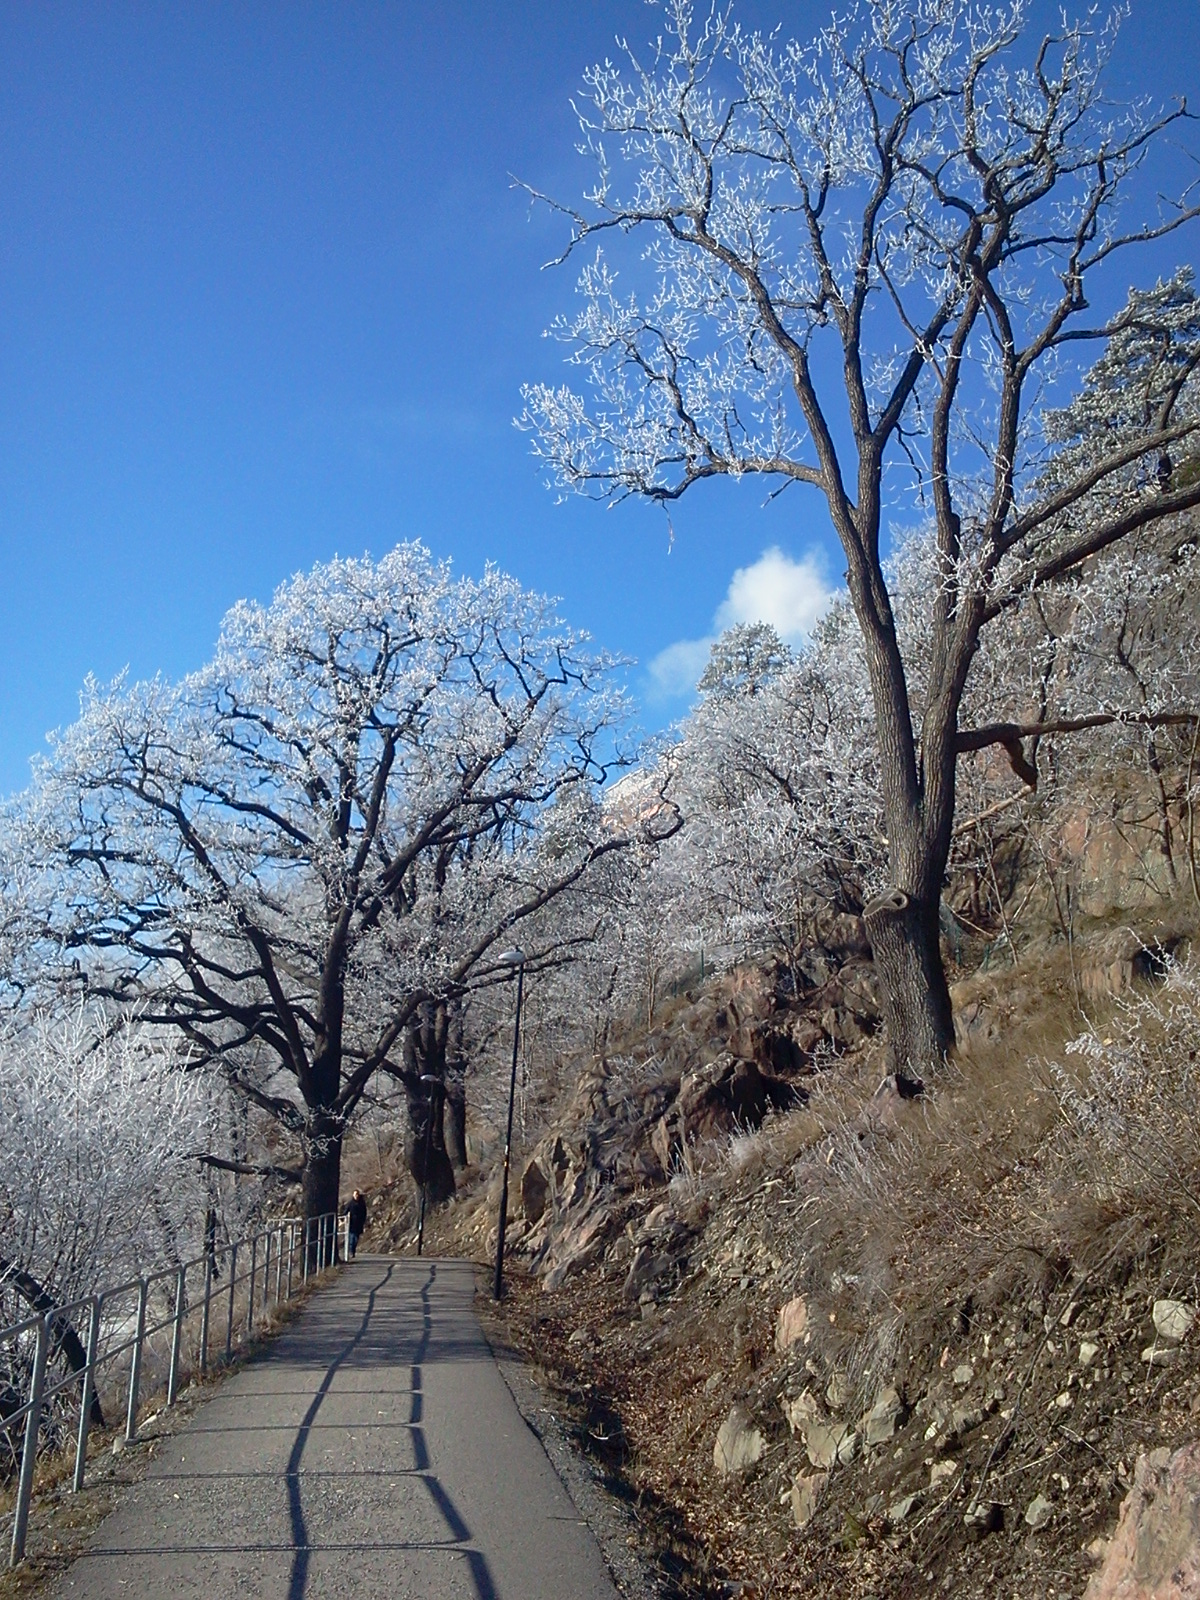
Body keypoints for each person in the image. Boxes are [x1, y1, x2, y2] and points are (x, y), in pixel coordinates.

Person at [345, 1189, 367, 1258]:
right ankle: (351, 1252)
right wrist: (343, 1218)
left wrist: (363, 1221)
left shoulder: (362, 1203)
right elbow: (346, 1211)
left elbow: (364, 1212)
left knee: (356, 1239)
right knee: (352, 1238)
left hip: (359, 1223)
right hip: (351, 1223)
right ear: (353, 1195)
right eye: (355, 1194)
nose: (356, 1196)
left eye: (357, 1194)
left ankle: (353, 1250)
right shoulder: (350, 1203)